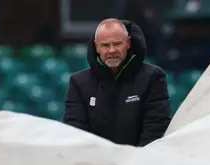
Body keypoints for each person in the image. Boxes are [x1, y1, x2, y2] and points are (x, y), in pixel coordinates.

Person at [63, 18, 171, 147]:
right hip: (96, 163)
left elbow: (155, 127)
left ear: (128, 43)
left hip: (140, 162)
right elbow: (76, 131)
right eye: (105, 45)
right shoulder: (79, 83)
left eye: (117, 44)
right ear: (96, 47)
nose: (112, 50)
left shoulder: (153, 78)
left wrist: (136, 163)